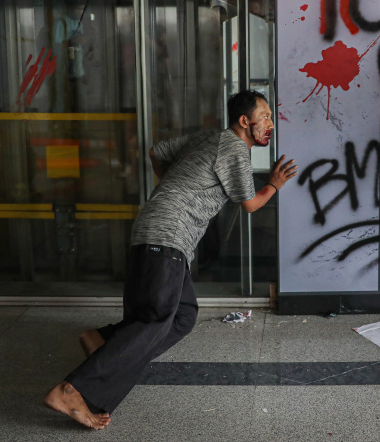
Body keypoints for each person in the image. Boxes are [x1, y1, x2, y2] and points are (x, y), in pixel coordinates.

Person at [43, 90, 297, 429]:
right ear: (244, 122)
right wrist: (275, 184)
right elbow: (249, 203)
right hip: (167, 236)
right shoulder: (236, 148)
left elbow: (156, 151)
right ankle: (71, 390)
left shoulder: (210, 137)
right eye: (264, 117)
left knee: (183, 316)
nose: (269, 124)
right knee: (156, 318)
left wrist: (172, 187)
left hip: (160, 233)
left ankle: (103, 341)